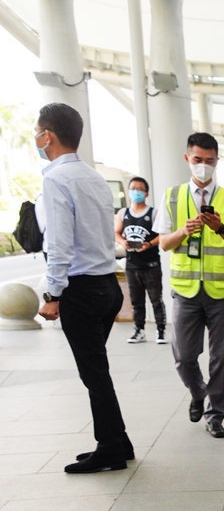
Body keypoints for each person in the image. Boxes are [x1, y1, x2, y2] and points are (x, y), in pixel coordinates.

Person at [33, 103, 134, 474]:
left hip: (82, 290)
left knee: (93, 373)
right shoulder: (93, 177)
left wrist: (52, 296)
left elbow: (59, 244)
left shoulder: (56, 180)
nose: (36, 138)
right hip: (107, 285)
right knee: (97, 368)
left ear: (48, 136)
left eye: (37, 132)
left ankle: (110, 448)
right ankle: (119, 441)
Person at [156, 132, 224, 439]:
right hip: (185, 291)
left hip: (223, 293)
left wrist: (221, 228)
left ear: (217, 161)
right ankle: (198, 392)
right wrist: (184, 231)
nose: (203, 166)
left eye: (210, 161)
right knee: (184, 356)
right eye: (198, 159)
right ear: (187, 159)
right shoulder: (172, 197)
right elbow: (164, 243)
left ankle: (216, 414)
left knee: (221, 358)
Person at [115, 176, 166, 345]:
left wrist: (149, 244)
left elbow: (163, 235)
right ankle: (139, 330)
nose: (136, 192)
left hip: (151, 264)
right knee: (136, 301)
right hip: (132, 264)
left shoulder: (154, 213)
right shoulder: (123, 213)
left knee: (156, 299)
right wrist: (123, 242)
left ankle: (160, 331)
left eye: (140, 189)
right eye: (133, 189)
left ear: (146, 193)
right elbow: (116, 233)